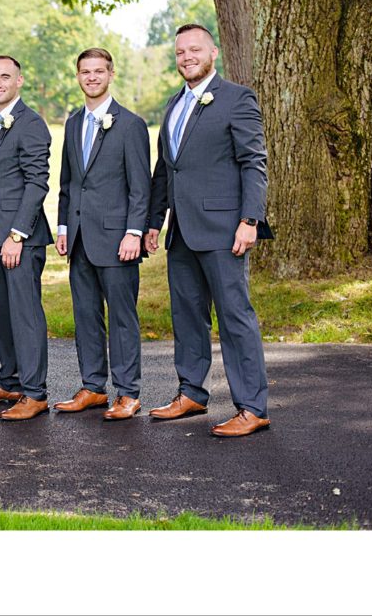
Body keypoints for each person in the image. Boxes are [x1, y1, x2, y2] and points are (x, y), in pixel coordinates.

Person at [145, 24, 272, 438]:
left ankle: (252, 407)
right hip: (181, 232)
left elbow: (254, 162)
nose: (186, 57)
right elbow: (167, 167)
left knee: (235, 318)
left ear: (212, 52)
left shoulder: (237, 98)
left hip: (224, 229)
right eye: (180, 52)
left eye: (194, 50)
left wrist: (250, 220)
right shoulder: (173, 103)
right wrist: (153, 220)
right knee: (187, 317)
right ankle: (192, 393)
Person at [54, 48, 151, 420]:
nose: (91, 77)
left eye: (98, 71)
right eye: (84, 71)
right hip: (78, 239)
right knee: (85, 315)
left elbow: (140, 187)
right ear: (78, 77)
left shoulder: (130, 124)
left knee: (122, 317)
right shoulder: (74, 122)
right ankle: (93, 387)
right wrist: (63, 227)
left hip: (117, 240)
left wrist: (133, 233)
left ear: (111, 75)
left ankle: (128, 392)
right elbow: (68, 183)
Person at [0, 56, 53, 420]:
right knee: (3, 314)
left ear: (19, 81)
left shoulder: (31, 124)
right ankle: (10, 381)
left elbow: (37, 183)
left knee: (25, 315)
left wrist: (17, 234)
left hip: (21, 238)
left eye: (5, 77)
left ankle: (35, 393)